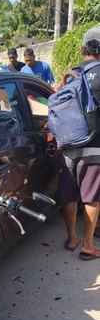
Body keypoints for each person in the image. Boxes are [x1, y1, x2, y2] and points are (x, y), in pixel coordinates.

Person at [60, 25, 100, 260]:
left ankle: (72, 238)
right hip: (95, 146)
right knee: (93, 197)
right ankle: (87, 245)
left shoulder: (69, 75)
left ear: (81, 49)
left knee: (70, 196)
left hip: (68, 147)